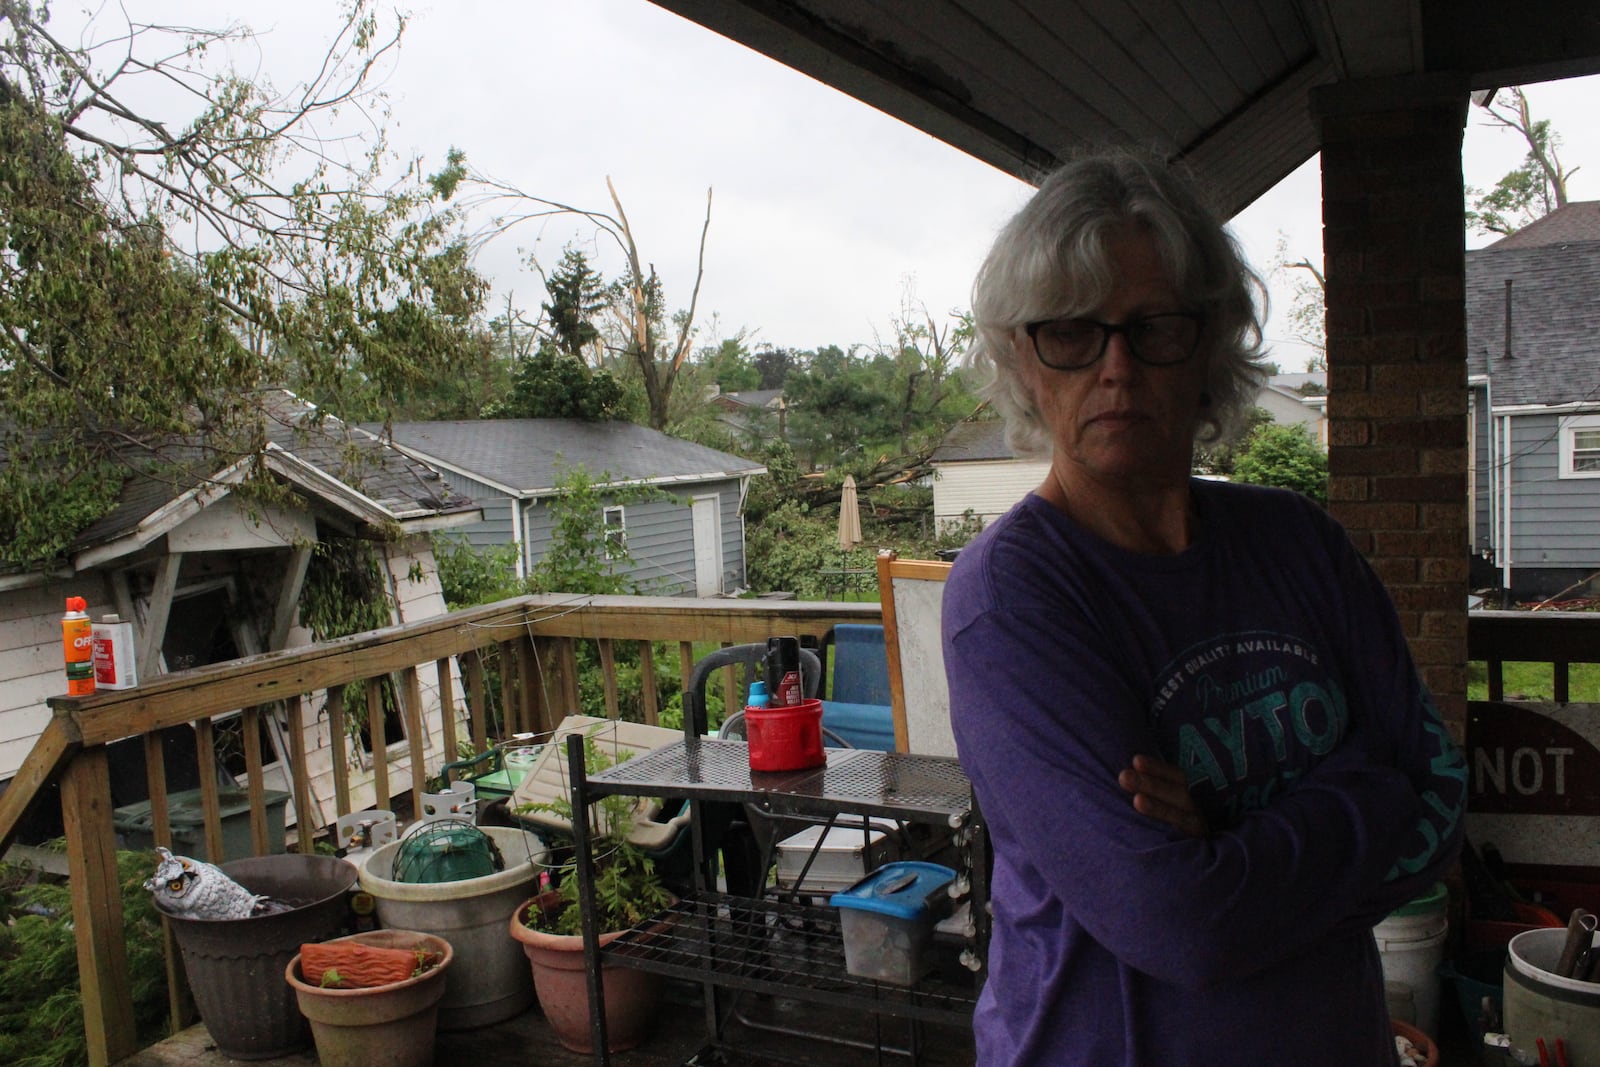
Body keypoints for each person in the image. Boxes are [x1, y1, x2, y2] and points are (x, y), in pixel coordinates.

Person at [942, 148, 1467, 1066]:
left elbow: (1440, 811)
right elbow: (1178, 920)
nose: (1116, 367)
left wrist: (1228, 837)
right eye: (1071, 332)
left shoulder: (1301, 542)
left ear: (1210, 342)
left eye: (1153, 328)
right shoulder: (1012, 595)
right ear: (1025, 362)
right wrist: (1360, 789)